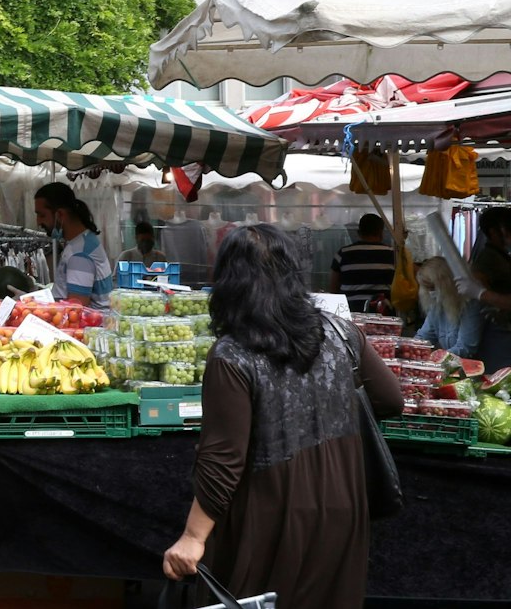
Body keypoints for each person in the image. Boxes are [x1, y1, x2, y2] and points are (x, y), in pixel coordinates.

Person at [162, 224, 403, 607]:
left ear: (228, 280)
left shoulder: (231, 355)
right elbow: (392, 400)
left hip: (270, 511)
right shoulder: (342, 333)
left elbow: (223, 460)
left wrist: (193, 538)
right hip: (342, 501)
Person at [34, 183, 114, 306]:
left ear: (60, 215)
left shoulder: (79, 255)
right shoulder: (84, 240)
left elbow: (75, 309)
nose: (38, 222)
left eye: (42, 215)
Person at [466, 208, 511, 370]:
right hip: (498, 334)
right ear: (494, 232)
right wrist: (482, 294)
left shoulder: (502, 256)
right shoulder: (488, 259)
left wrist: (481, 293)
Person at [414, 255, 482, 359]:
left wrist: (435, 358)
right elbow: (424, 336)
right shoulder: (436, 305)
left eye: (433, 287)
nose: (431, 293)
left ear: (446, 284)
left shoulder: (470, 304)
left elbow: (465, 348)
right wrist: (411, 349)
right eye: (428, 288)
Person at [331, 213, 397, 313]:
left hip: (349, 312)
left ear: (359, 232)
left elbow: (333, 287)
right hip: (382, 312)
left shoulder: (343, 253)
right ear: (381, 232)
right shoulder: (392, 254)